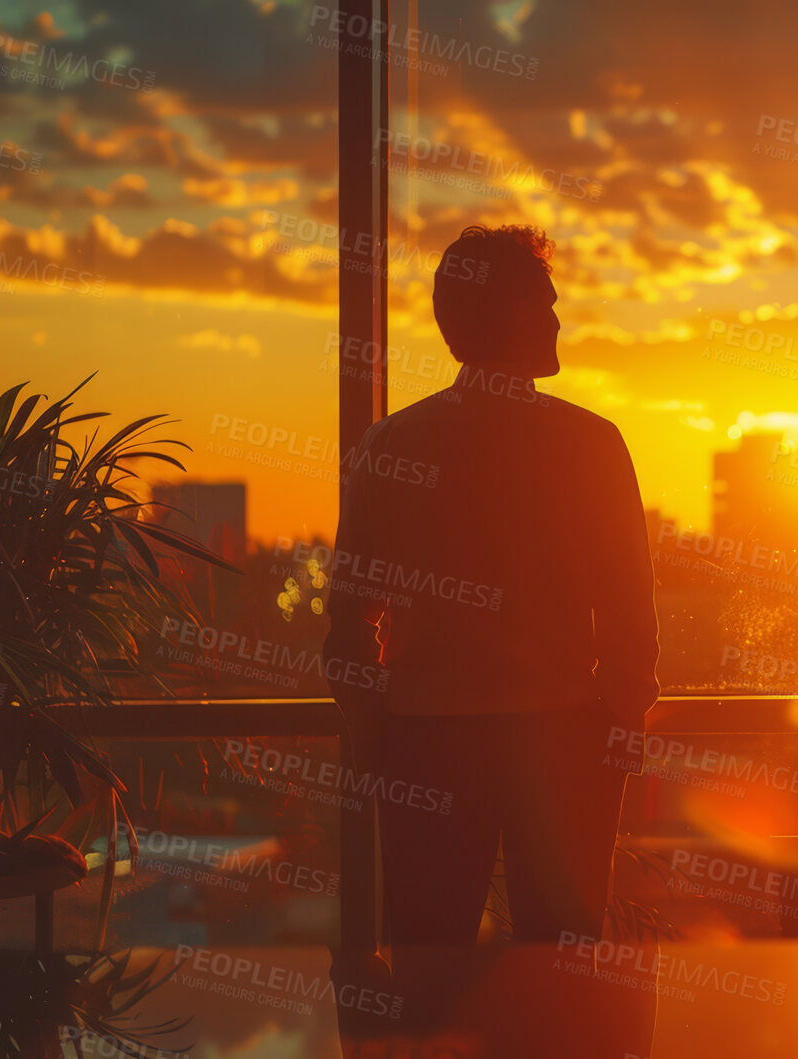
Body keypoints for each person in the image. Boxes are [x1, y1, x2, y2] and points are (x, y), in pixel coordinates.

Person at [324, 224, 658, 1049]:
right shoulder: (590, 443)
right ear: (507, 313)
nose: (556, 318)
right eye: (543, 301)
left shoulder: (393, 444)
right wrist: (618, 738)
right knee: (563, 984)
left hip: (427, 743)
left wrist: (374, 746)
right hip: (562, 741)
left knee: (430, 983)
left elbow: (348, 625)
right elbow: (629, 621)